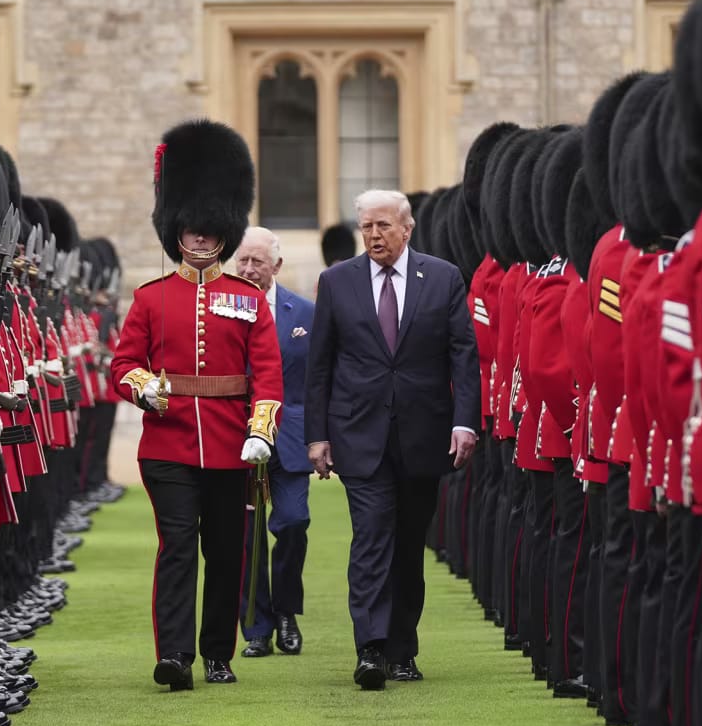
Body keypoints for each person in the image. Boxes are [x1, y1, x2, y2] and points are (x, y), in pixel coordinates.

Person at [111, 119, 284, 689]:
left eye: (211, 230)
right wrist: (147, 388)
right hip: (169, 444)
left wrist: (261, 429)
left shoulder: (248, 300)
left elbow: (267, 375)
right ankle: (176, 655)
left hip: (233, 446)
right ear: (176, 229)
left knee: (227, 554)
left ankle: (218, 654)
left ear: (224, 232)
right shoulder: (151, 299)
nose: (202, 237)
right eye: (192, 228)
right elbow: (122, 366)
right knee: (179, 549)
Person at [304, 189, 479, 689]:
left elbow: (462, 356)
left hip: (423, 436)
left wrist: (465, 422)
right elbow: (320, 366)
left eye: (383, 226)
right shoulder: (337, 282)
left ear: (407, 228)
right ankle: (371, 649)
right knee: (371, 540)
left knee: (407, 547)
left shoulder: (443, 278)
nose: (374, 236)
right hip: (359, 435)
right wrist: (316, 435)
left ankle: (403, 649)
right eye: (366, 227)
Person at [235, 227, 316, 657]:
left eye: (258, 262)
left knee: (292, 523)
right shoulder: (219, 311)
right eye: (243, 261)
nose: (249, 270)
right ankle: (257, 628)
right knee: (245, 536)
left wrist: (323, 437)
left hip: (291, 439)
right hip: (235, 437)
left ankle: (286, 610)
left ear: (277, 267)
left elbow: (319, 381)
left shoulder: (305, 313)